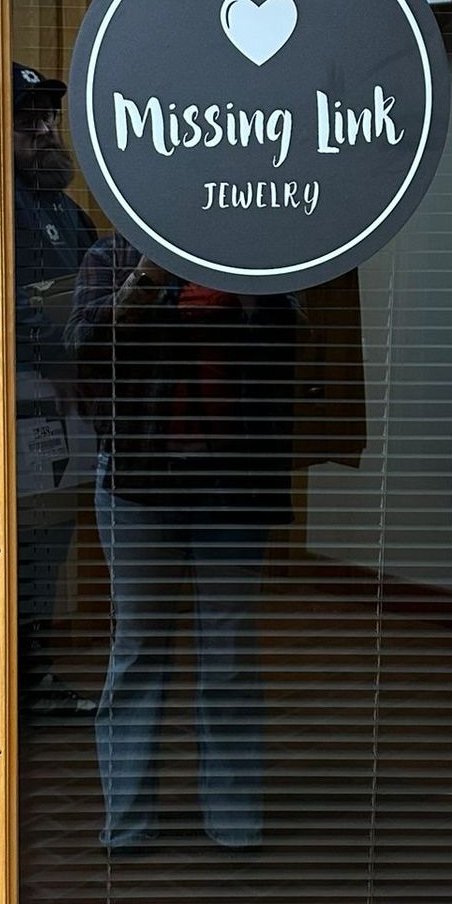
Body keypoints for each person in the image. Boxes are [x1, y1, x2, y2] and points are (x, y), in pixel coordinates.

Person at [68, 237, 300, 848]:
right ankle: (127, 825)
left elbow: (295, 349)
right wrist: (146, 278)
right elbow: (81, 346)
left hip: (233, 482)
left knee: (227, 653)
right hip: (138, 479)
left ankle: (233, 824)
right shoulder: (113, 255)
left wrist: (247, 298)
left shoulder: (255, 250)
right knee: (139, 648)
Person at [12, 62, 97, 719]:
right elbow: (7, 307)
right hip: (17, 403)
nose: (44, 129)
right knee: (10, 548)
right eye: (26, 118)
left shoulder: (66, 212)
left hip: (66, 408)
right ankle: (7, 692)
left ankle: (35, 684)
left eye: (48, 116)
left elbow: (92, 299)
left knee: (46, 546)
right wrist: (64, 353)